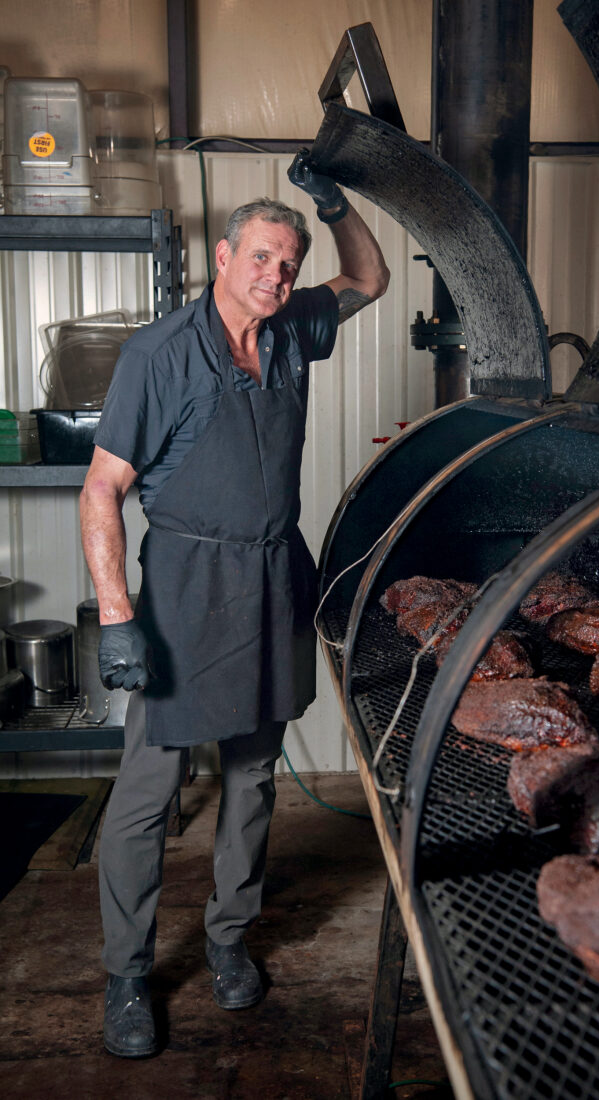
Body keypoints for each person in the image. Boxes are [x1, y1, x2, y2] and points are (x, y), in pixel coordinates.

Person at [79, 151, 389, 1058]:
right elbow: (101, 492)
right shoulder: (160, 355)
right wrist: (116, 615)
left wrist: (333, 206)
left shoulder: (293, 326)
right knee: (150, 787)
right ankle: (127, 971)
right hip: (184, 585)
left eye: (286, 262)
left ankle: (227, 938)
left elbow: (368, 275)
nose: (276, 276)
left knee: (253, 772)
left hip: (272, 576)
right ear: (222, 257)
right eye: (260, 257)